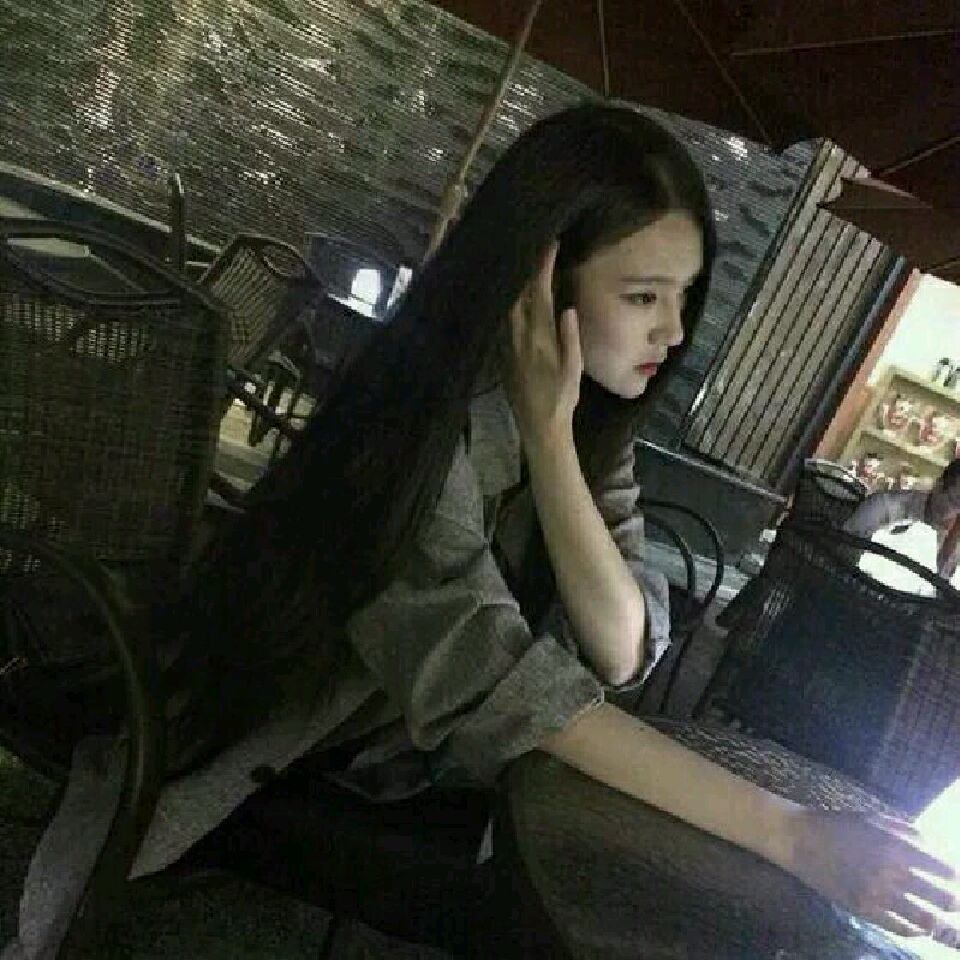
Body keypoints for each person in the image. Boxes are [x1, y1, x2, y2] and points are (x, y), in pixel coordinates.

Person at [6, 105, 957, 959]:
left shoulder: (584, 430)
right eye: (642, 296)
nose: (673, 332)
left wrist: (551, 442)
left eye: (685, 296)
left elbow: (624, 648)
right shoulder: (414, 433)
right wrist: (795, 834)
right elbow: (508, 691)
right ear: (536, 287)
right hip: (250, 743)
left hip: (401, 753)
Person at [844, 458, 960, 582]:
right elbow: (844, 553)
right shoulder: (884, 506)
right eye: (956, 501)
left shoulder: (953, 542)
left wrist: (950, 546)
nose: (956, 513)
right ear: (939, 486)